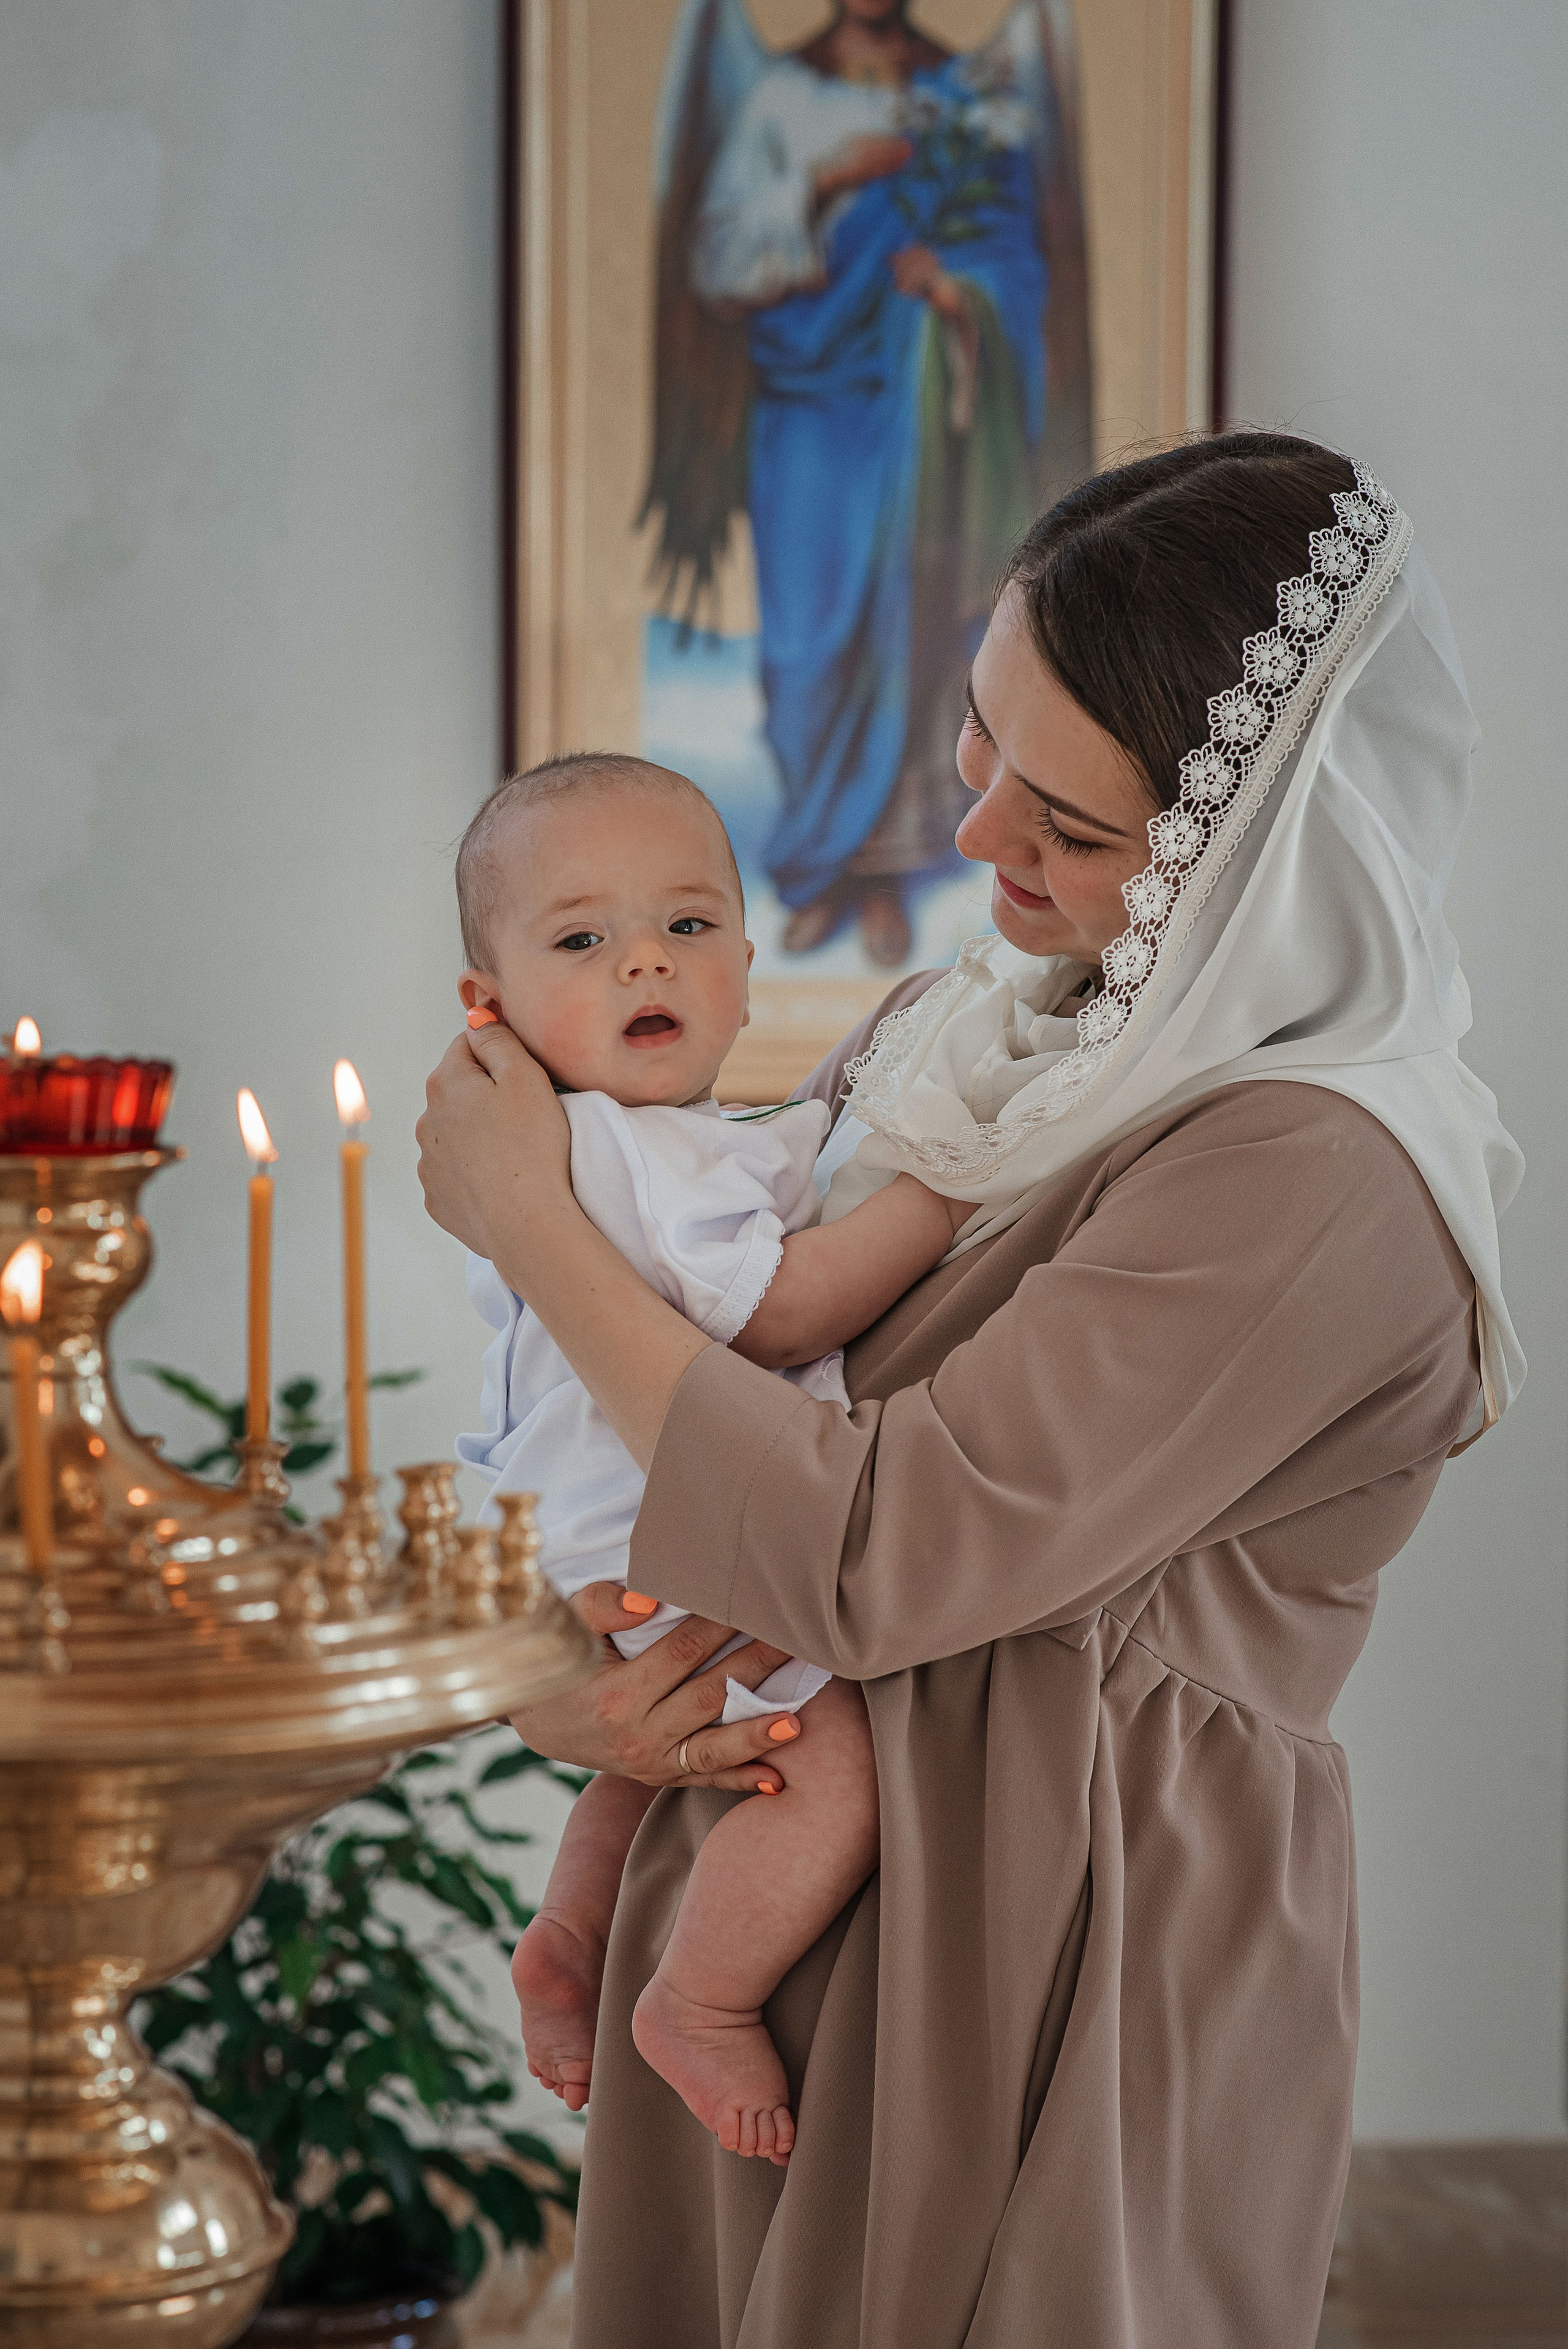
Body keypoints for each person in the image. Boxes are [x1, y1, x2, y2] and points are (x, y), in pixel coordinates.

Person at [417, 434, 1523, 2347]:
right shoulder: (974, 1031)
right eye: (976, 740)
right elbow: (672, 1424)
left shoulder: (1315, 1172)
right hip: (769, 1912)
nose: (981, 838)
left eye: (1074, 826)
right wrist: (572, 1691)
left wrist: (534, 1220)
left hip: (1046, 1959)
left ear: (1266, 839)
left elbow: (873, 1546)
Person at [449, 753, 976, 2163]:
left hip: (591, 1543)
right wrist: (941, 1197)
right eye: (581, 939)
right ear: (487, 1007)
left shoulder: (592, 1148)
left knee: (662, 1753)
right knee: (829, 1756)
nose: (643, 961)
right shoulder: (644, 1158)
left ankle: (569, 1932)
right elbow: (785, 1308)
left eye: (686, 926)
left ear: (745, 963)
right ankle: (698, 1995)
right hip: (660, 1525)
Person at [644, 0, 1090, 966]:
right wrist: (823, 178)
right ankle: (820, 859)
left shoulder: (966, 95)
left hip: (916, 406)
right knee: (806, 641)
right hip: (805, 408)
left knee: (909, 624)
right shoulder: (780, 93)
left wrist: (954, 287)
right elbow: (720, 256)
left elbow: (1016, 260)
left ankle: (886, 871)